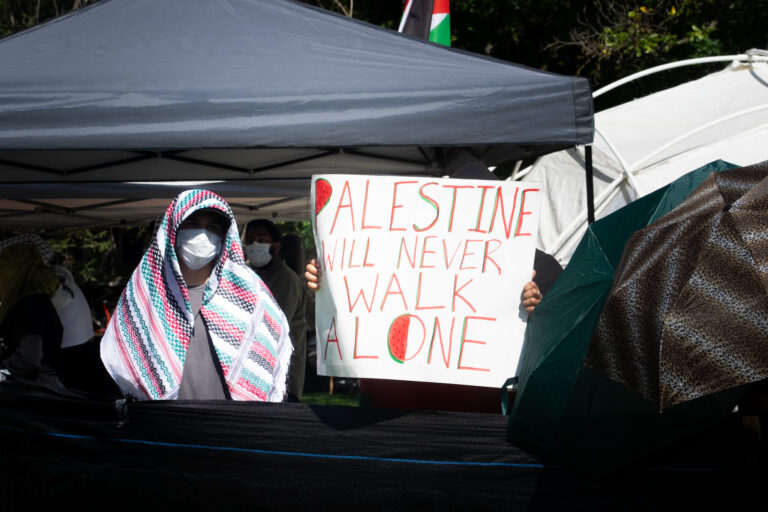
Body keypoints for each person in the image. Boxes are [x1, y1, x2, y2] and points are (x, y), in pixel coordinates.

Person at [304, 162, 563, 413]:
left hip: (487, 413)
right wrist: (329, 279)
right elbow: (364, 297)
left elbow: (560, 344)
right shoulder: (407, 256)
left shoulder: (541, 268)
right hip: (404, 410)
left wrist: (537, 312)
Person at [100, 190, 292, 401]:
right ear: (174, 228)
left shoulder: (251, 296)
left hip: (232, 423)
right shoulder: (146, 294)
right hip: (164, 424)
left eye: (213, 227)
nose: (202, 234)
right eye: (192, 223)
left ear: (224, 237)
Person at [244, 219, 308, 402]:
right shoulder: (250, 274)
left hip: (281, 380)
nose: (255, 244)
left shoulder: (286, 279)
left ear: (276, 247)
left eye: (262, 239)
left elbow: (271, 327)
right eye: (250, 240)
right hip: (254, 376)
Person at [0, 235, 64, 386]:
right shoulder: (29, 300)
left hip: (37, 394)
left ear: (16, 271)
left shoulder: (29, 304)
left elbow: (28, 358)